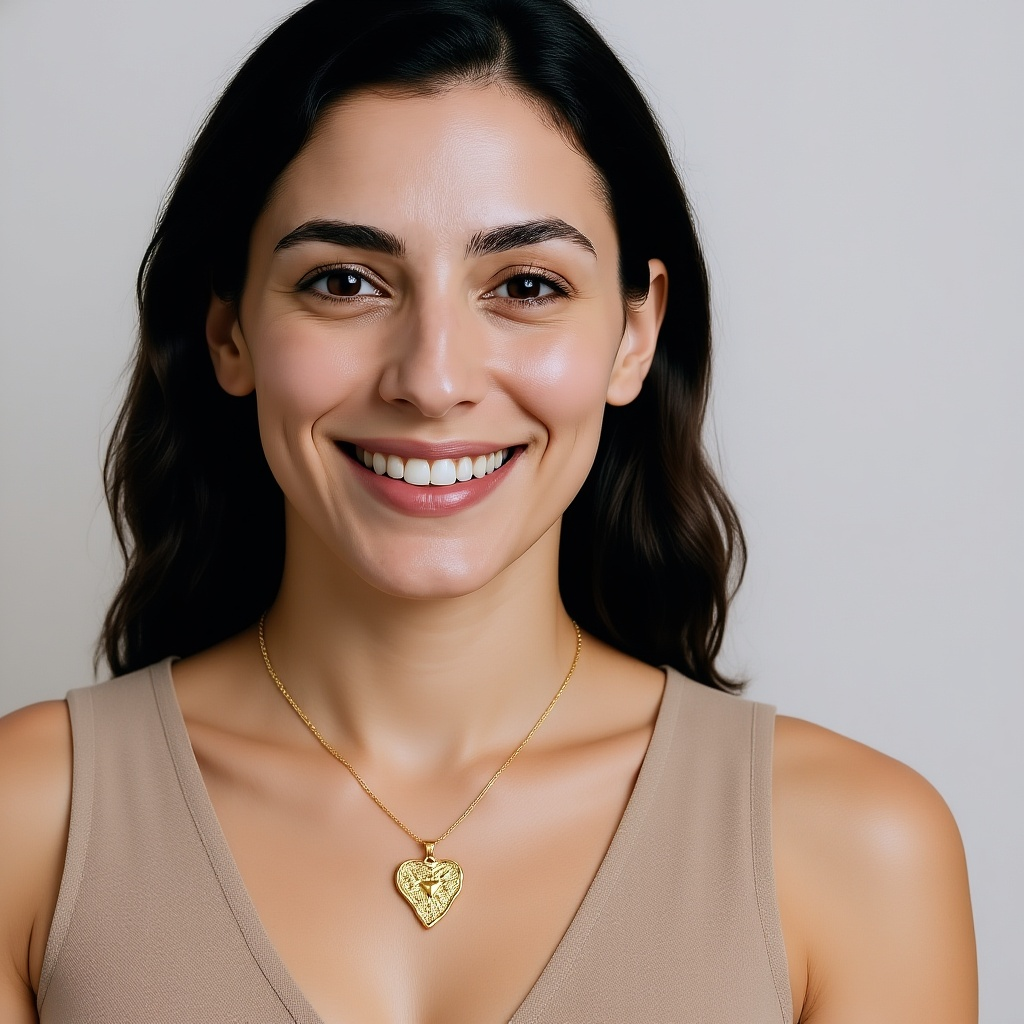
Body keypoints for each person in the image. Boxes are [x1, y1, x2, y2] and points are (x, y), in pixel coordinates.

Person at [0, 0, 977, 1020]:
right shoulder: (26, 823)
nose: (432, 379)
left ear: (635, 333)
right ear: (228, 331)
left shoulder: (855, 847)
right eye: (342, 280)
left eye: (524, 283)